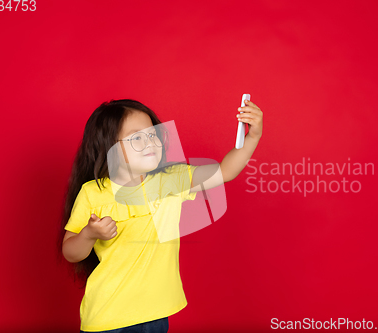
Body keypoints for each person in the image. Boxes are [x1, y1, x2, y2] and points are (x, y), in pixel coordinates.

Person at [57, 98, 263, 332]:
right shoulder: (93, 192)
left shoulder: (171, 180)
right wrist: (89, 234)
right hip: (109, 318)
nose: (150, 142)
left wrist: (252, 138)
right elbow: (70, 252)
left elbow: (224, 171)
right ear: (108, 146)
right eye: (136, 137)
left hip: (156, 315)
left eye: (152, 134)